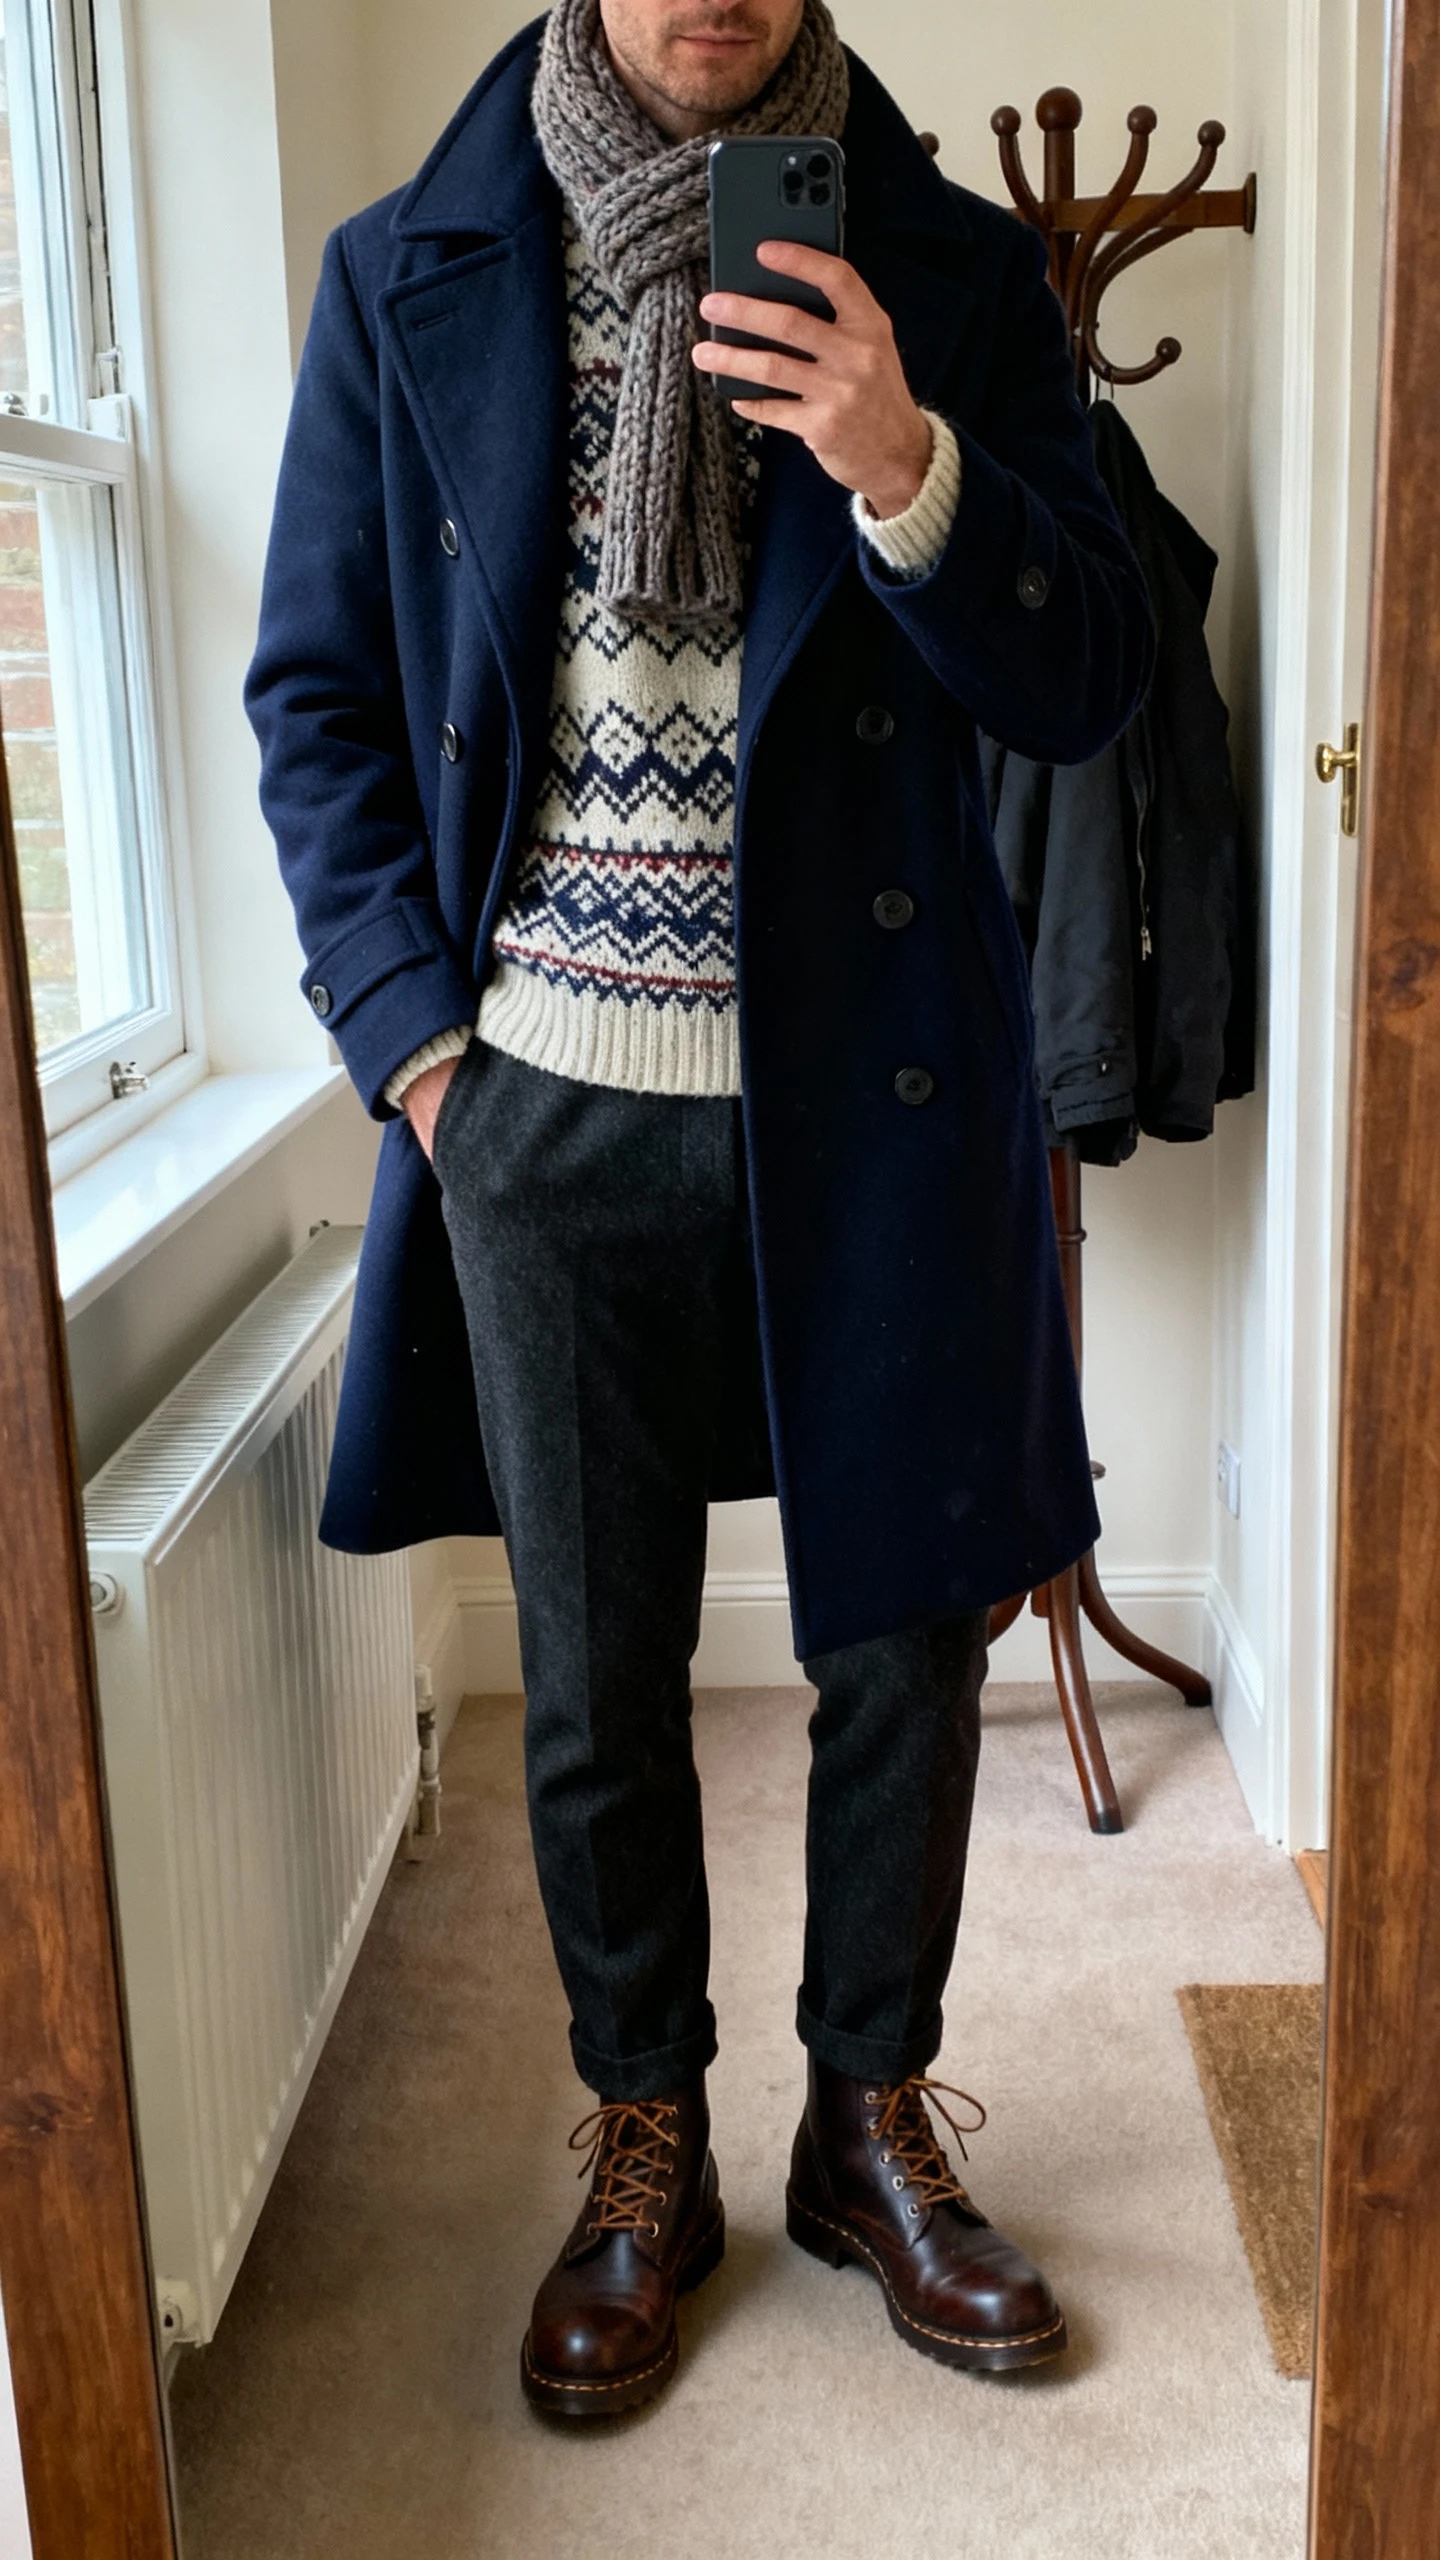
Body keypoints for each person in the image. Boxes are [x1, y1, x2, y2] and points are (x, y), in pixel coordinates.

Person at [247, 0, 1152, 2422]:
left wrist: (908, 467)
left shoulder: (957, 274)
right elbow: (320, 701)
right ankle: (646, 2132)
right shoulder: (407, 271)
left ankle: (867, 2116)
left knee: (904, 1641)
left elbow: (1087, 678)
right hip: (541, 1108)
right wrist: (421, 1050)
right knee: (595, 1669)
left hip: (877, 1094)